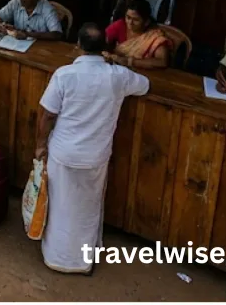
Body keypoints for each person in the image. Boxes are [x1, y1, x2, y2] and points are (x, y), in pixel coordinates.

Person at [35, 23, 149, 274]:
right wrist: (119, 62)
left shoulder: (64, 75)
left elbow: (47, 115)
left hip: (63, 152)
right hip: (94, 156)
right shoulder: (118, 76)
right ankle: (81, 262)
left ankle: (56, 257)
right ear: (105, 48)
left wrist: (40, 146)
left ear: (78, 46)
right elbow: (145, 85)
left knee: (60, 205)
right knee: (87, 207)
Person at [103, 0, 172, 70]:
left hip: (143, 73)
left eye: (136, 20)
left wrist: (129, 61)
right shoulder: (120, 25)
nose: (130, 22)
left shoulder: (154, 36)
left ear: (146, 22)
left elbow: (162, 62)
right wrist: (108, 54)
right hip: (117, 69)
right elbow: (103, 41)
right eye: (128, 17)